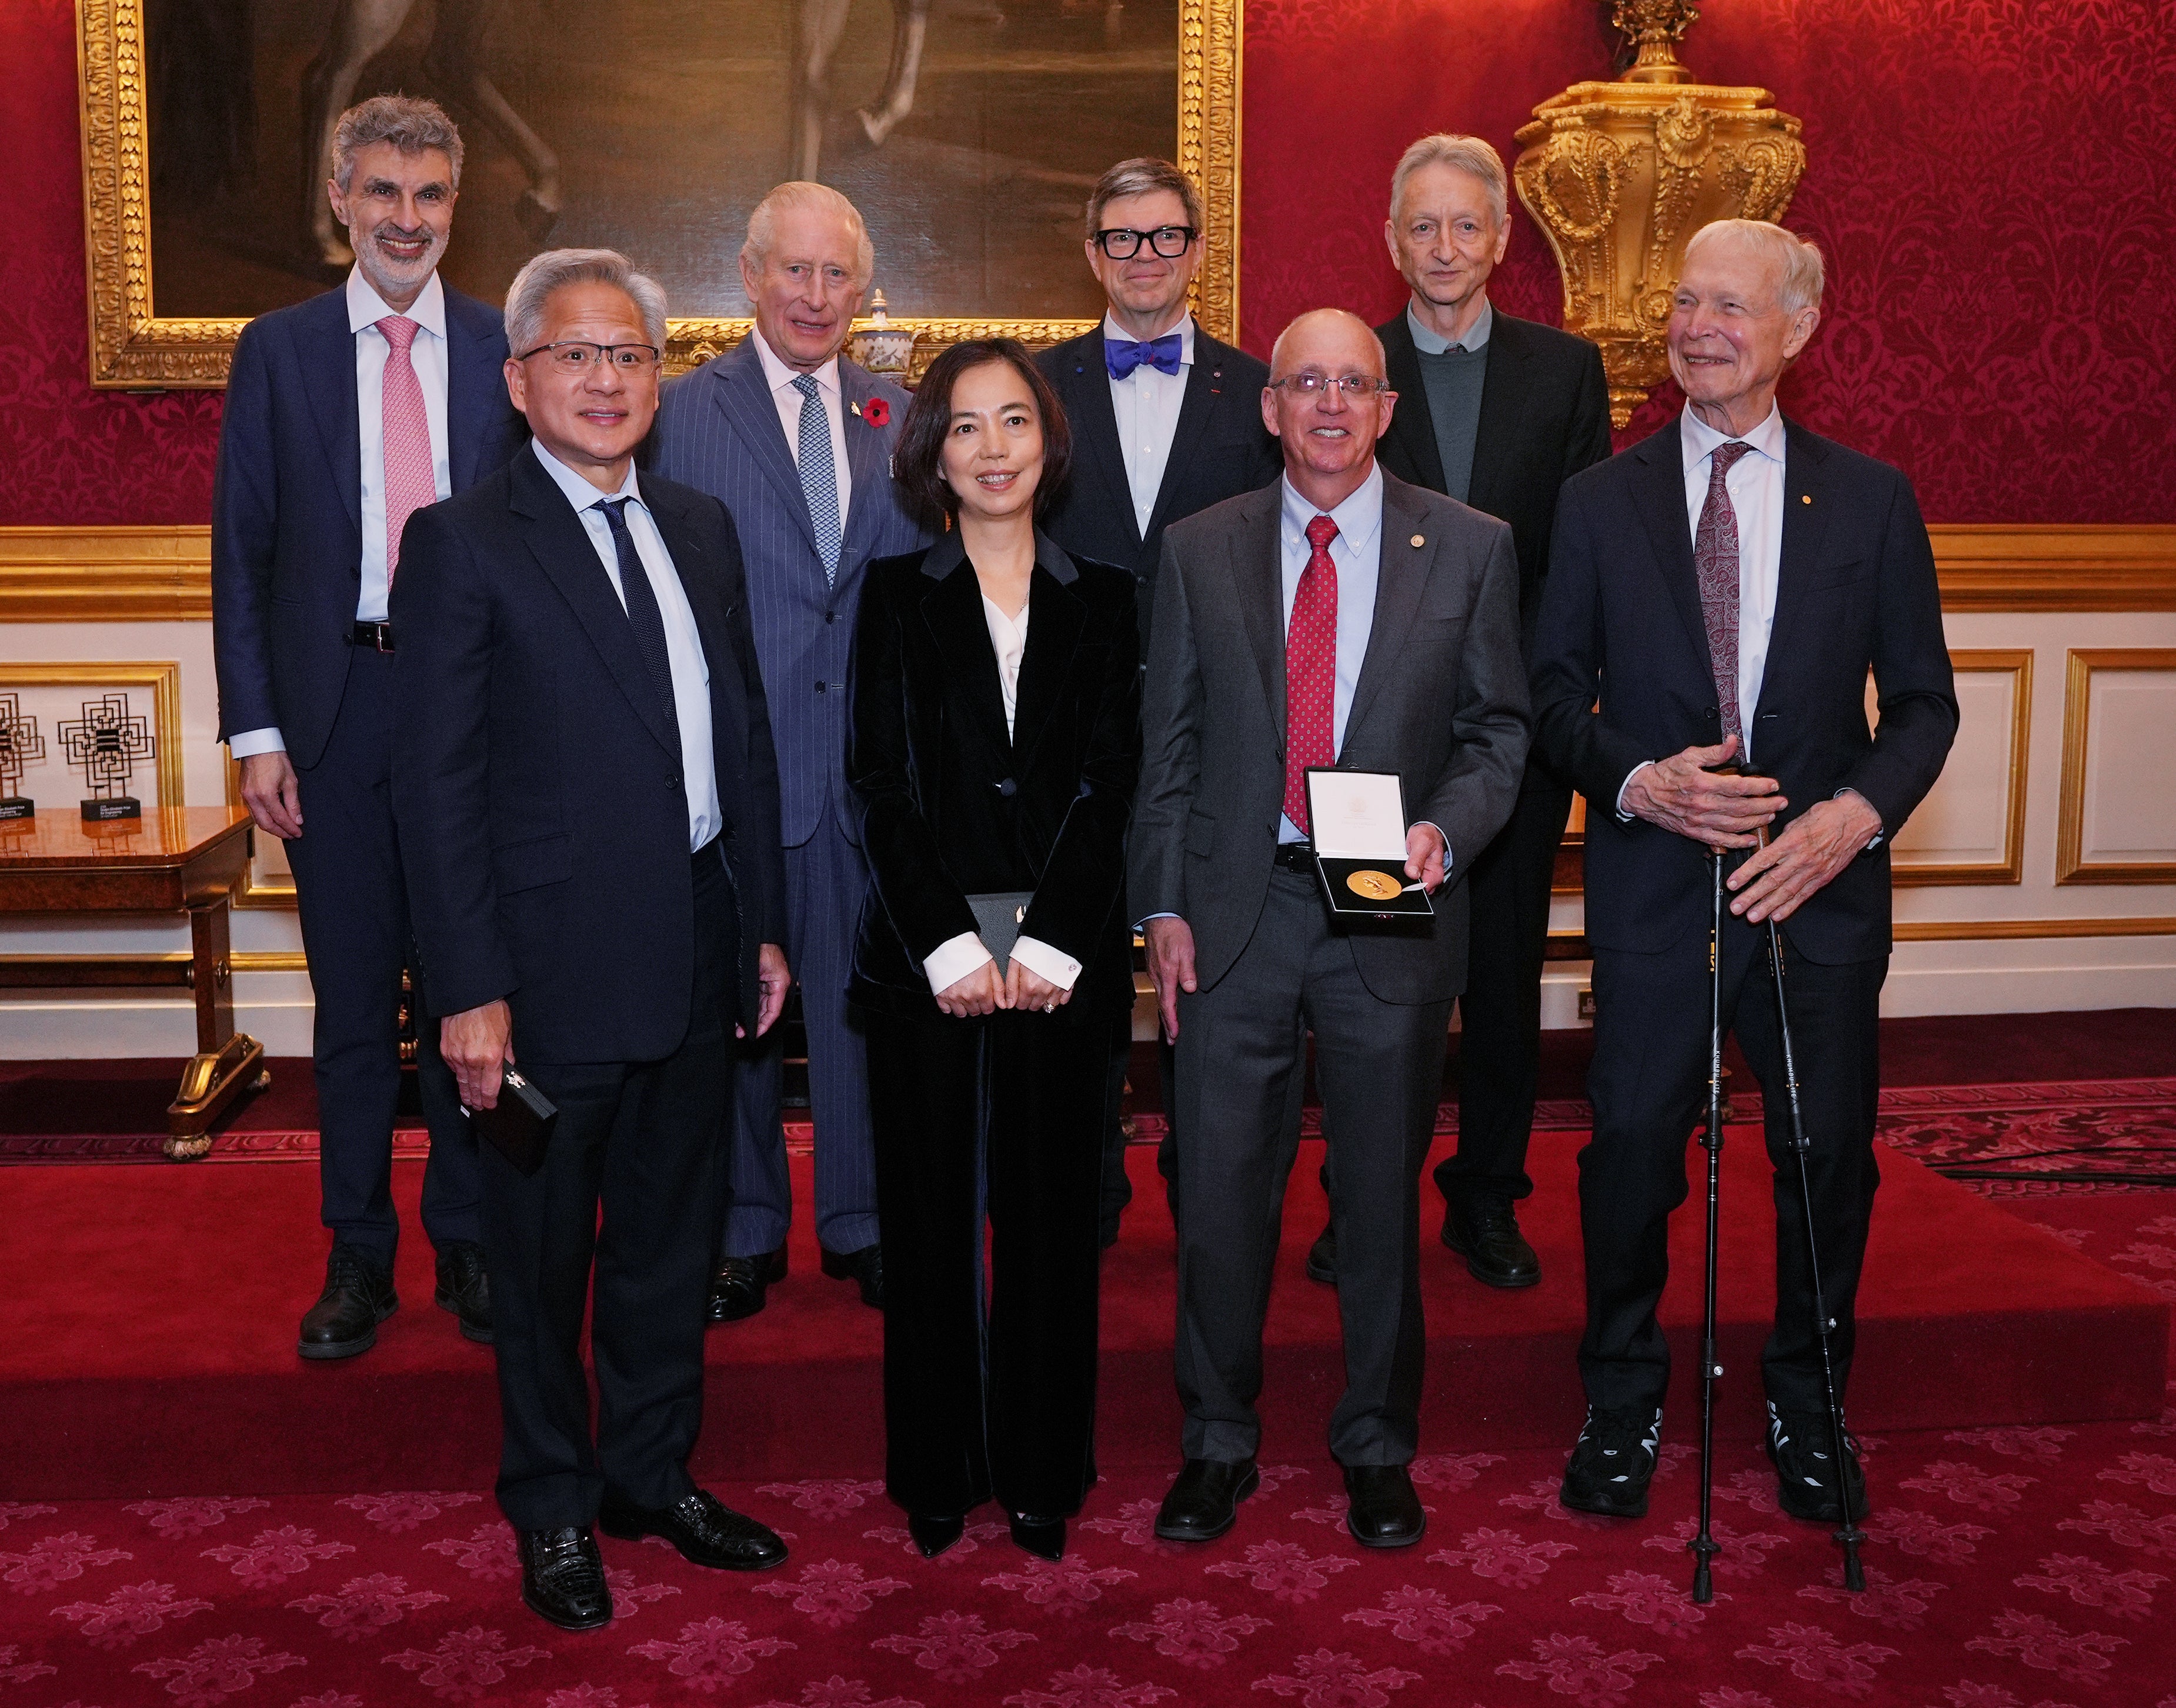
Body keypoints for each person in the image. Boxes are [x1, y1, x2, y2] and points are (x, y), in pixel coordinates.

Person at [392, 249, 795, 1629]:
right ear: (518, 382)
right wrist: (469, 991)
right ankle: (554, 1508)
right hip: (543, 977)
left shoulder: (698, 526)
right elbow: (434, 792)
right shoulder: (460, 541)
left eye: (629, 354)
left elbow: (739, 738)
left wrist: (762, 924)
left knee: (670, 1248)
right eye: (575, 354)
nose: (607, 377)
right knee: (541, 1260)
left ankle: (648, 1474)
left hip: (697, 944)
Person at [1529, 220, 1955, 1524]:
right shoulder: (1598, 499)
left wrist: (1848, 820)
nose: (1697, 326)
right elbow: (1546, 700)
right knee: (1631, 1152)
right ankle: (1619, 1397)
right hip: (1658, 883)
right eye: (1684, 302)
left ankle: (1807, 1400)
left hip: (1815, 893)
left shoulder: (1872, 497)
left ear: (1795, 329)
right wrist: (1638, 781)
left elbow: (1924, 709)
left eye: (1728, 306)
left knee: (1824, 1160)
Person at [1132, 310, 1528, 1550]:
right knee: (1220, 1196)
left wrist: (1445, 834)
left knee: (1374, 1197)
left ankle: (1373, 1444)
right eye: (1302, 382)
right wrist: (1160, 908)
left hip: (1387, 916)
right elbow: (1169, 751)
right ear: (1268, 407)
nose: (1326, 404)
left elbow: (1497, 735)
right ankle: (1215, 1443)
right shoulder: (1200, 549)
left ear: (1383, 405)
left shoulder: (1467, 546)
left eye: (1351, 383)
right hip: (1236, 914)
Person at [211, 94, 526, 1361]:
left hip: (473, 718)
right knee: (351, 1008)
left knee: (472, 987)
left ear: (457, 207)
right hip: (332, 715)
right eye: (383, 192)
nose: (407, 217)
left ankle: (466, 1233)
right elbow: (244, 552)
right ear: (342, 200)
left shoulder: (507, 345)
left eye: (431, 195)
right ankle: (356, 1253)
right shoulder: (276, 351)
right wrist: (256, 734)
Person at [849, 339, 1141, 1565]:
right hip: (928, 962)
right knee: (923, 1225)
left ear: (1047, 440)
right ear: (931, 453)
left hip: (1063, 967)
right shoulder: (892, 594)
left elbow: (1106, 781)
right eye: (963, 426)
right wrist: (950, 944)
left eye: (1013, 421)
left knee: (1047, 1222)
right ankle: (933, 1467)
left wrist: (1057, 945)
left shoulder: (1109, 595)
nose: (992, 447)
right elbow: (881, 787)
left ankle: (1037, 1468)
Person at [1307, 134, 1613, 1293]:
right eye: (1420, 227)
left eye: (1464, 226)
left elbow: (1575, 562)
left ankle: (1484, 1198)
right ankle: (1358, 1204)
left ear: (1497, 240)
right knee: (1369, 985)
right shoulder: (1346, 364)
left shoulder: (1562, 372)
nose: (1443, 247)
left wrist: (1551, 707)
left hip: (1512, 736)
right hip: (1369, 740)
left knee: (1497, 981)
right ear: (1391, 243)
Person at [653, 182, 927, 1323]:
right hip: (730, 770)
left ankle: (861, 1222)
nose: (814, 296)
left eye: (836, 276)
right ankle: (743, 1228)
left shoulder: (904, 419)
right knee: (736, 1011)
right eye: (794, 271)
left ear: (860, 292)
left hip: (866, 771)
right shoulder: (675, 412)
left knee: (861, 1006)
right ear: (750, 275)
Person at [1036, 157, 1282, 1249]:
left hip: (1220, 725)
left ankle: (1209, 1183)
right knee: (1072, 960)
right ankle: (1082, 1185)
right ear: (1093, 254)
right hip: (1071, 727)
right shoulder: (1034, 392)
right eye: (1123, 239)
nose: (1145, 256)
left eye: (1166, 236)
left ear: (1196, 249)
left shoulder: (1261, 390)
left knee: (1213, 961)